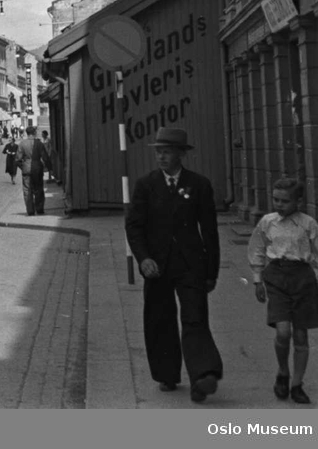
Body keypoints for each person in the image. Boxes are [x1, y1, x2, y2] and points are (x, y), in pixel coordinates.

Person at [124, 127, 223, 404]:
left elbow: (210, 232)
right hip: (157, 265)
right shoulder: (146, 185)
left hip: (191, 265)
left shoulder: (199, 185)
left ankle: (203, 375)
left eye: (167, 151)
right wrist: (143, 258)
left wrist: (211, 272)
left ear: (181, 154)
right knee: (159, 318)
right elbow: (134, 226)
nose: (161, 156)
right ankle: (167, 374)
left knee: (195, 317)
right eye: (158, 151)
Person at [247, 177, 318, 405]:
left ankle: (297, 384)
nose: (279, 204)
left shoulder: (308, 223)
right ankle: (283, 371)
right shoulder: (268, 222)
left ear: (298, 201)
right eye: (276, 199)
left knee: (300, 335)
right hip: (276, 277)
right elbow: (257, 248)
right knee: (283, 332)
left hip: (302, 279)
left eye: (285, 201)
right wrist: (258, 279)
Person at [15, 125, 49, 215]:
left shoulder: (22, 144)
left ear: (26, 133)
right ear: (34, 133)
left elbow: (18, 159)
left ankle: (30, 210)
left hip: (26, 168)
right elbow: (45, 157)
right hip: (37, 167)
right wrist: (49, 167)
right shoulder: (39, 144)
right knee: (38, 188)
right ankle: (39, 208)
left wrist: (23, 167)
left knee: (27, 190)